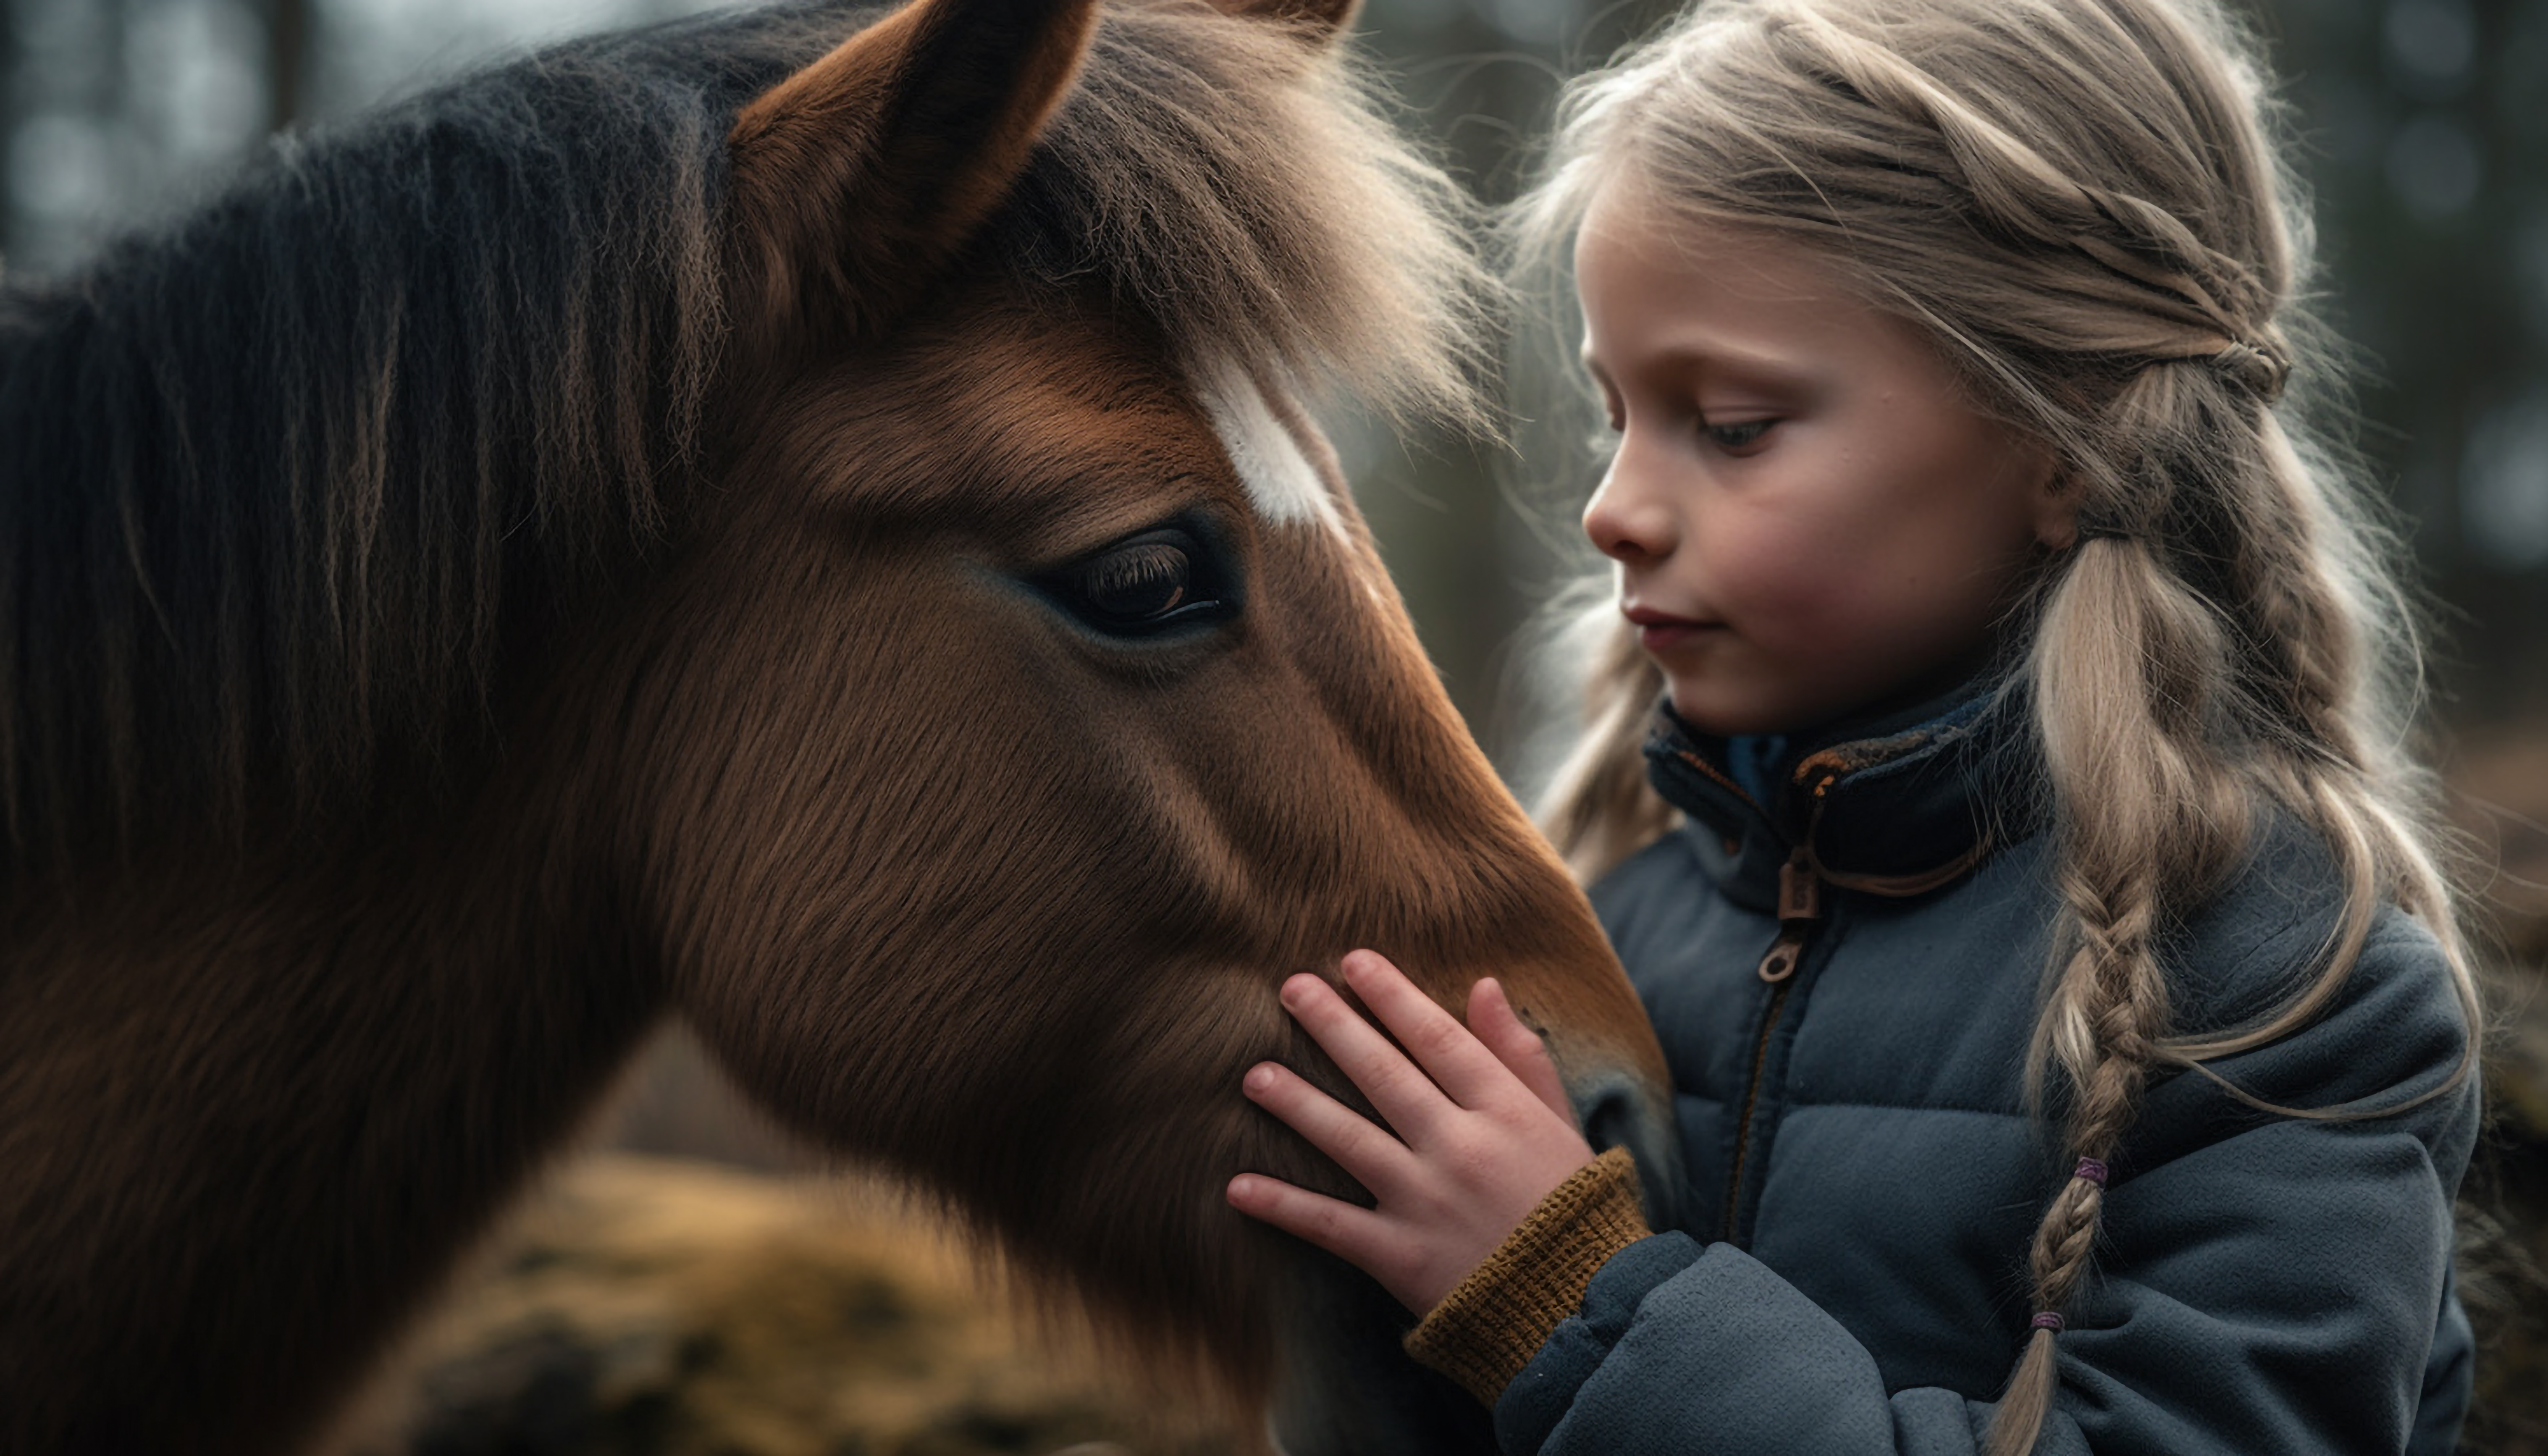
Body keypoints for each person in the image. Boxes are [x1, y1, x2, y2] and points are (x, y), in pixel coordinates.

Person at [1220, 0, 2486, 1451]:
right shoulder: (1621, 912)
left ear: (2062, 438)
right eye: (1613, 415)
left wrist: (1562, 1296)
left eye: (1734, 425)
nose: (1610, 508)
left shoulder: (2283, 980)